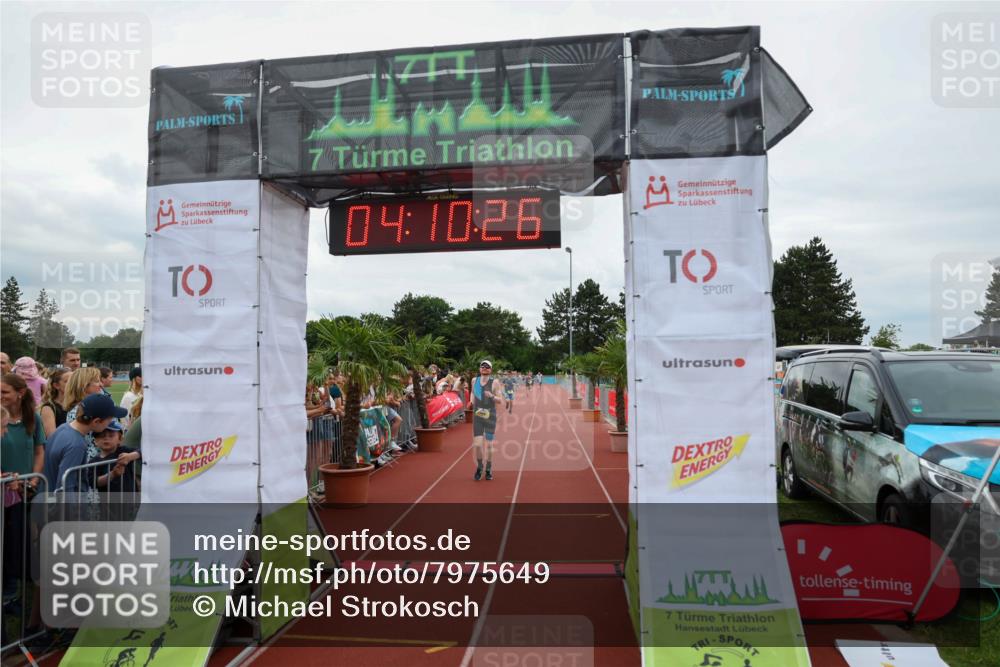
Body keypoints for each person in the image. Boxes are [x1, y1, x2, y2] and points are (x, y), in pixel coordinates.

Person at [43, 393, 127, 493]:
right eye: (109, 420)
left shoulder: (63, 428)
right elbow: (66, 486)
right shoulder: (76, 445)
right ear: (96, 421)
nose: (110, 423)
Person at [468, 360, 502, 481]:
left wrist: (491, 396)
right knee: (477, 445)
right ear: (480, 369)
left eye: (487, 367)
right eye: (482, 366)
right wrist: (471, 401)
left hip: (490, 416)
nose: (484, 368)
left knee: (489, 445)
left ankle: (488, 468)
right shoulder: (474, 380)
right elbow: (473, 393)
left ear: (490, 370)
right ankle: (479, 466)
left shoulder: (495, 382)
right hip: (478, 416)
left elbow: (500, 400)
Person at [89, 421, 140, 494]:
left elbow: (142, 452)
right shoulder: (93, 462)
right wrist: (113, 474)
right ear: (95, 441)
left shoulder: (124, 451)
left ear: (120, 439)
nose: (106, 438)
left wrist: (130, 456)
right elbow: (93, 482)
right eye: (102, 436)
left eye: (111, 435)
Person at [40, 367, 72, 437]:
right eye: (67, 381)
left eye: (74, 381)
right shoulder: (49, 408)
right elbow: (52, 437)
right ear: (56, 385)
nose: (72, 384)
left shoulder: (77, 404)